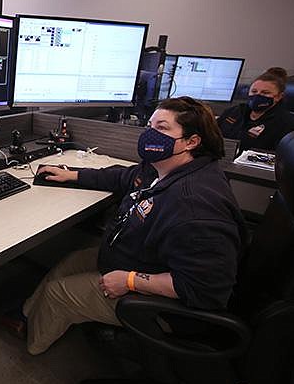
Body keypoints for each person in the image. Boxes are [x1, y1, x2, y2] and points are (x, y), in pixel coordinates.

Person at [21, 97, 245, 356]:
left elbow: (205, 290)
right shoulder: (163, 168)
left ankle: (30, 346)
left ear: (192, 142)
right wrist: (72, 174)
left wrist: (130, 281)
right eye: (150, 126)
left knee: (56, 293)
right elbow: (123, 176)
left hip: (160, 303)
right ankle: (27, 315)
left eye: (161, 128)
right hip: (134, 256)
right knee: (67, 264)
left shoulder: (195, 206)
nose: (150, 134)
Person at [217, 67, 294, 151]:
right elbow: (212, 134)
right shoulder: (234, 111)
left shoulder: (286, 124)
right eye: (254, 91)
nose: (258, 95)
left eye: (265, 93)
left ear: (278, 97)